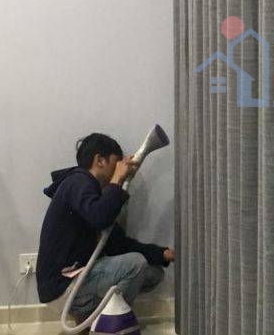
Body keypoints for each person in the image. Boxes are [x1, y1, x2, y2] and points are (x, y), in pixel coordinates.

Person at [36, 132, 174, 323]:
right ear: (99, 160)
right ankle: (108, 325)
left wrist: (162, 254)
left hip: (79, 278)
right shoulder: (77, 182)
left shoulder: (95, 197)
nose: (118, 169)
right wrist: (117, 180)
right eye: (115, 163)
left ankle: (91, 319)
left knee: (152, 273)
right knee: (135, 264)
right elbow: (100, 217)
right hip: (63, 285)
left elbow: (118, 244)